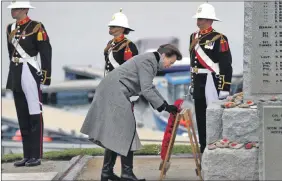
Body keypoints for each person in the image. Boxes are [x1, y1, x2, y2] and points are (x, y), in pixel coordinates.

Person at [80, 44, 182, 181]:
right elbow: (146, 90)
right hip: (114, 92)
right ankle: (126, 174)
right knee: (127, 130)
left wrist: (165, 105)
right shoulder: (148, 61)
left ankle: (107, 172)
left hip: (113, 90)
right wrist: (165, 106)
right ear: (164, 56)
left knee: (115, 133)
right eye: (171, 62)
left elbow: (149, 87)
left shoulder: (150, 60)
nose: (170, 65)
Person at [6, 1, 52, 167]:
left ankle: (36, 156)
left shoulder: (37, 27)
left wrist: (46, 78)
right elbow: (10, 53)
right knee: (22, 115)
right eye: (12, 8)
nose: (13, 11)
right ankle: (27, 155)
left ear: (25, 10)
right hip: (16, 74)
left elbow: (46, 52)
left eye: (16, 9)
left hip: (30, 72)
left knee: (34, 114)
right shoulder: (10, 28)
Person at [189, 3, 233, 154]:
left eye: (201, 18)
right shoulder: (193, 37)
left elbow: (226, 65)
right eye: (198, 18)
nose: (198, 21)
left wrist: (224, 88)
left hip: (212, 82)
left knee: (214, 118)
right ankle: (203, 150)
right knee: (200, 118)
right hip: (198, 82)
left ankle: (215, 149)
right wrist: (192, 83)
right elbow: (192, 62)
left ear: (209, 20)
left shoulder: (219, 38)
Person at [101, 8, 139, 181]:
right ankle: (122, 172)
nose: (111, 27)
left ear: (123, 29)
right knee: (121, 131)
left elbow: (133, 72)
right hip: (112, 92)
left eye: (115, 26)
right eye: (111, 25)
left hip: (122, 93)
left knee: (122, 131)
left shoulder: (129, 46)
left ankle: (111, 172)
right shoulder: (111, 45)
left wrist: (132, 93)